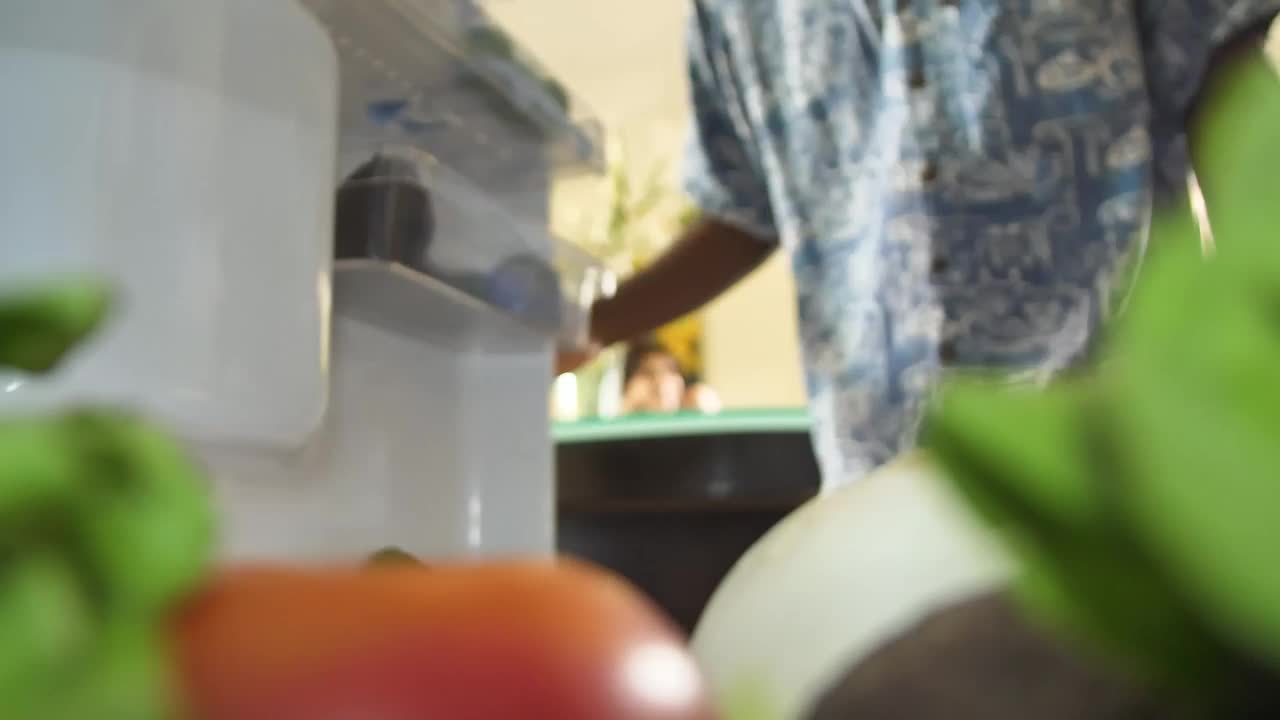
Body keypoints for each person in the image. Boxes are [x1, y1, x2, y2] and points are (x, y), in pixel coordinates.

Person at [561, 2, 1280, 490]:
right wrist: (579, 330)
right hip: (881, 475)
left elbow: (1231, 88)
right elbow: (745, 207)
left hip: (1112, 445)